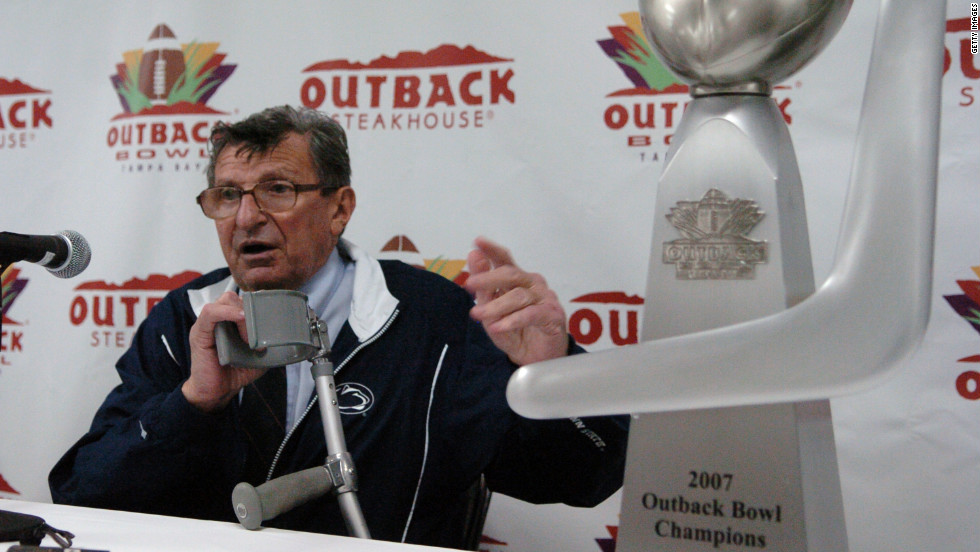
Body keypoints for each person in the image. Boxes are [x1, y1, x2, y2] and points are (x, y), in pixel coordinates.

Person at [48, 105, 628, 548]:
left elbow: (584, 478)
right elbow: (83, 494)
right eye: (227, 196)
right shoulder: (184, 318)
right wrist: (192, 403)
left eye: (277, 189)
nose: (247, 217)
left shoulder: (435, 319)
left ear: (339, 208)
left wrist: (550, 375)